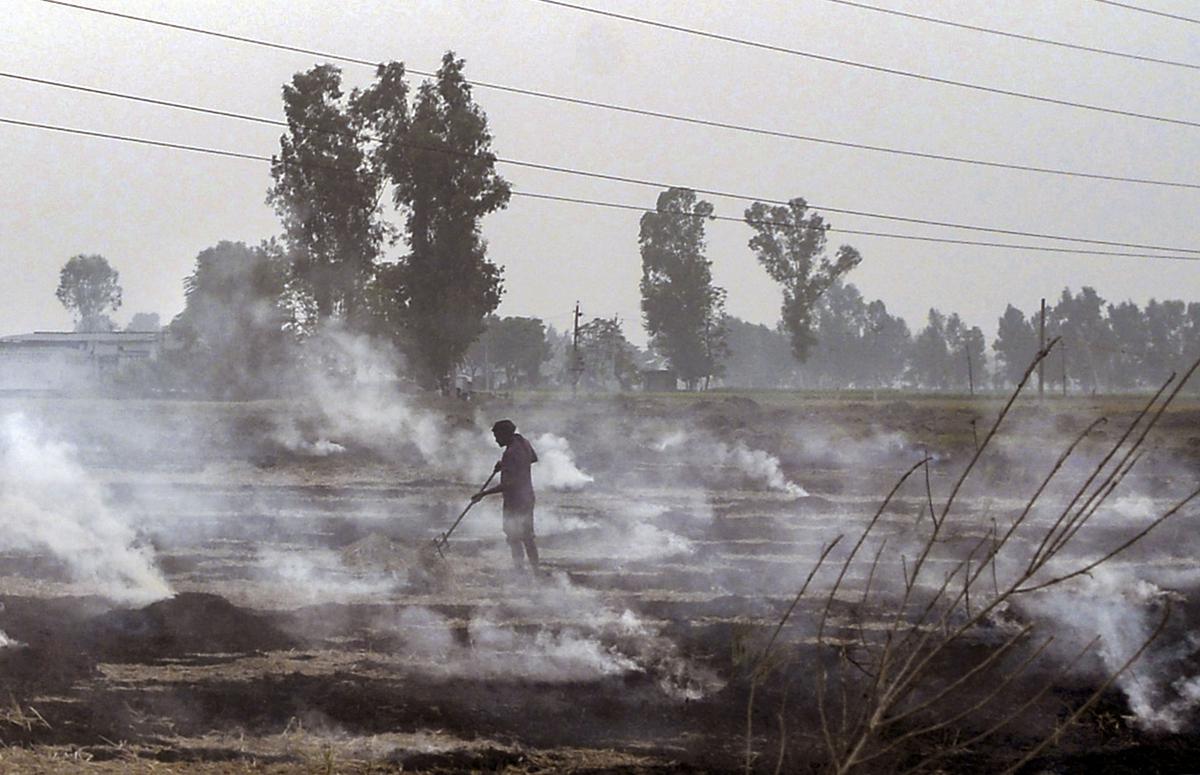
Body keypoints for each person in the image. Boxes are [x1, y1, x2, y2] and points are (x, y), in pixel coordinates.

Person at [471, 419, 539, 571]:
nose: (496, 440)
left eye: (497, 436)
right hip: (528, 497)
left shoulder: (511, 453)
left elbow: (509, 485)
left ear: (505, 434)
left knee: (514, 537)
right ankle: (536, 571)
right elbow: (533, 458)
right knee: (527, 537)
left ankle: (519, 571)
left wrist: (483, 493)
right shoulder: (523, 442)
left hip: (516, 501)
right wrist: (506, 466)